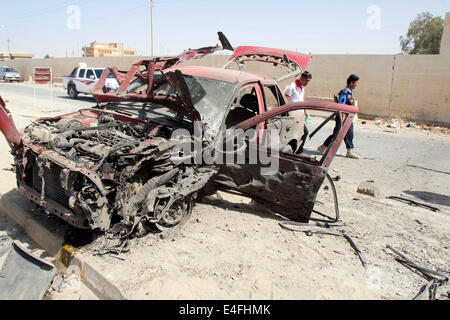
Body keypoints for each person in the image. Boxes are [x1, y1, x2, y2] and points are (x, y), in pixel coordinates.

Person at [317, 74, 360, 159]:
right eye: (356, 83)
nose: (357, 84)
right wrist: (343, 118)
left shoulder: (350, 93)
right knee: (337, 134)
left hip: (348, 118)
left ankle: (349, 151)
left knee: (349, 133)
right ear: (351, 83)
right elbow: (341, 105)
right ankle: (323, 147)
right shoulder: (344, 92)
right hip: (342, 117)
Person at [284, 71, 312, 154]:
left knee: (300, 133)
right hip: (293, 115)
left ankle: (296, 151)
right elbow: (285, 98)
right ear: (302, 78)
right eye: (306, 80)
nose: (307, 82)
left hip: (300, 115)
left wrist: (305, 111)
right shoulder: (293, 86)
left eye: (309, 81)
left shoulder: (302, 87)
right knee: (303, 132)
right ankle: (298, 151)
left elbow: (301, 100)